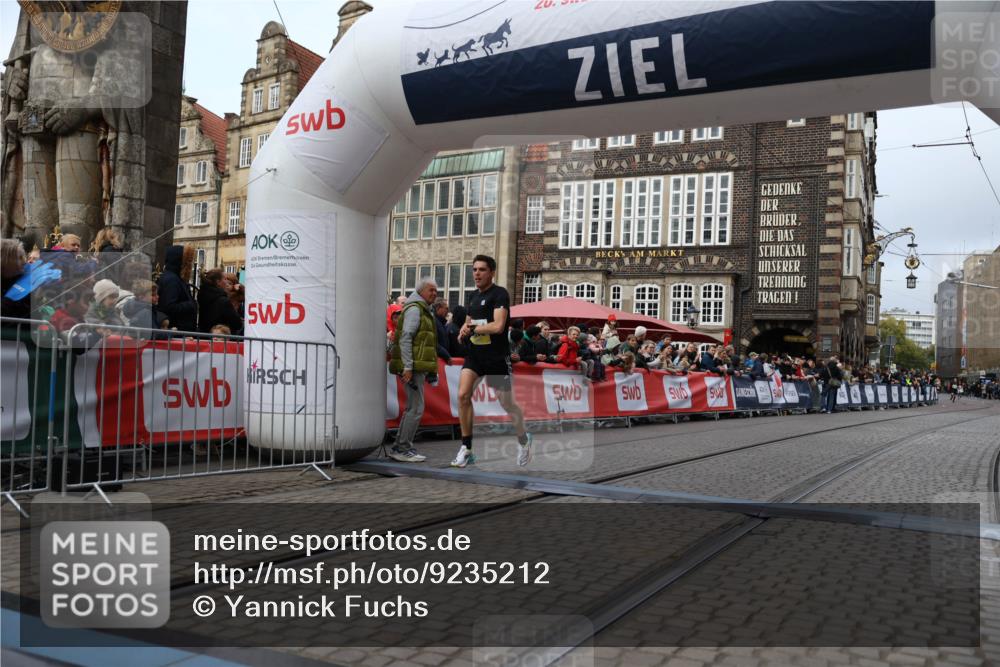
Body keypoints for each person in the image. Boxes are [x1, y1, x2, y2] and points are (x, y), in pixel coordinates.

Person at [453, 255, 531, 468]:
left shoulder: (500, 294)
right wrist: (463, 331)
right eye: (474, 270)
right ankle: (467, 448)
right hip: (475, 355)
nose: (477, 274)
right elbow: (468, 322)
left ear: (492, 272)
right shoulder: (472, 296)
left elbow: (498, 326)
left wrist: (473, 329)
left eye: (482, 270)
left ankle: (524, 440)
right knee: (463, 395)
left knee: (507, 403)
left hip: (496, 357)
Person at [388, 277, 441, 463]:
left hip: (415, 366)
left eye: (436, 290)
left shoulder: (421, 309)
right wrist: (408, 366)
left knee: (413, 407)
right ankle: (402, 448)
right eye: (431, 290)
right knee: (416, 408)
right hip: (413, 367)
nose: (434, 293)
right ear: (421, 291)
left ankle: (401, 446)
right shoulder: (415, 309)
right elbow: (406, 338)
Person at [157, 245, 197, 332]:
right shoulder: (172, 280)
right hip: (177, 330)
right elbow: (169, 306)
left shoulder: (175, 277)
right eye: (187, 261)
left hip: (180, 330)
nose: (190, 265)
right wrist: (190, 304)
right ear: (178, 261)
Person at [198, 269, 244, 335]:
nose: (226, 282)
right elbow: (237, 324)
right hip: (220, 338)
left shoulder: (203, 295)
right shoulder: (223, 301)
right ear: (218, 282)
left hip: (203, 336)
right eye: (225, 279)